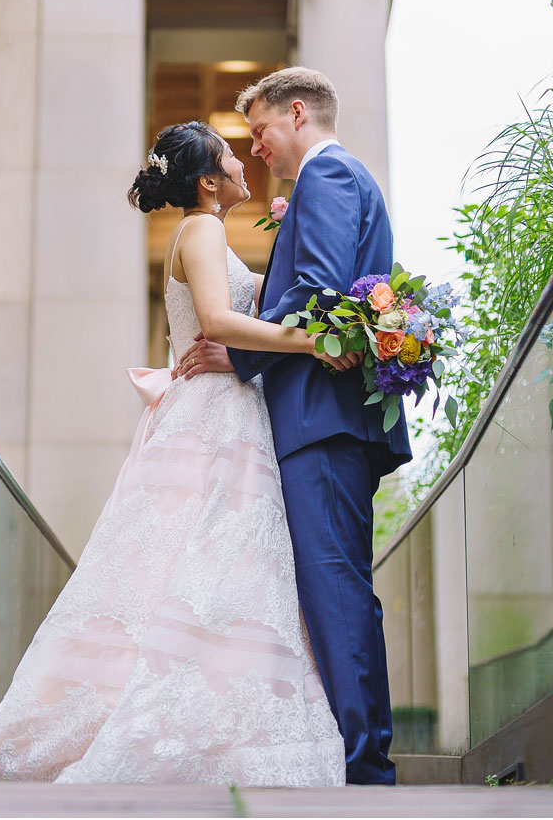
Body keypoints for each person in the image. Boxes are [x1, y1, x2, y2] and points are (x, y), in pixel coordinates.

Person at [0, 121, 348, 785]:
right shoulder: (201, 229)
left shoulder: (211, 233)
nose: (241, 163)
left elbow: (257, 308)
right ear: (209, 182)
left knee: (200, 570)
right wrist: (316, 345)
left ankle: (204, 718)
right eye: (231, 156)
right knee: (207, 563)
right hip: (214, 417)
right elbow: (220, 321)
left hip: (223, 409)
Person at [175, 67, 410, 785]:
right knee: (339, 582)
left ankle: (360, 762)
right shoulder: (334, 180)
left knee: (331, 583)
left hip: (322, 419)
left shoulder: (329, 177)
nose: (257, 151)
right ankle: (362, 749)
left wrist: (238, 348)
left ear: (298, 112)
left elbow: (320, 289)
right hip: (326, 417)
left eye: (263, 132)